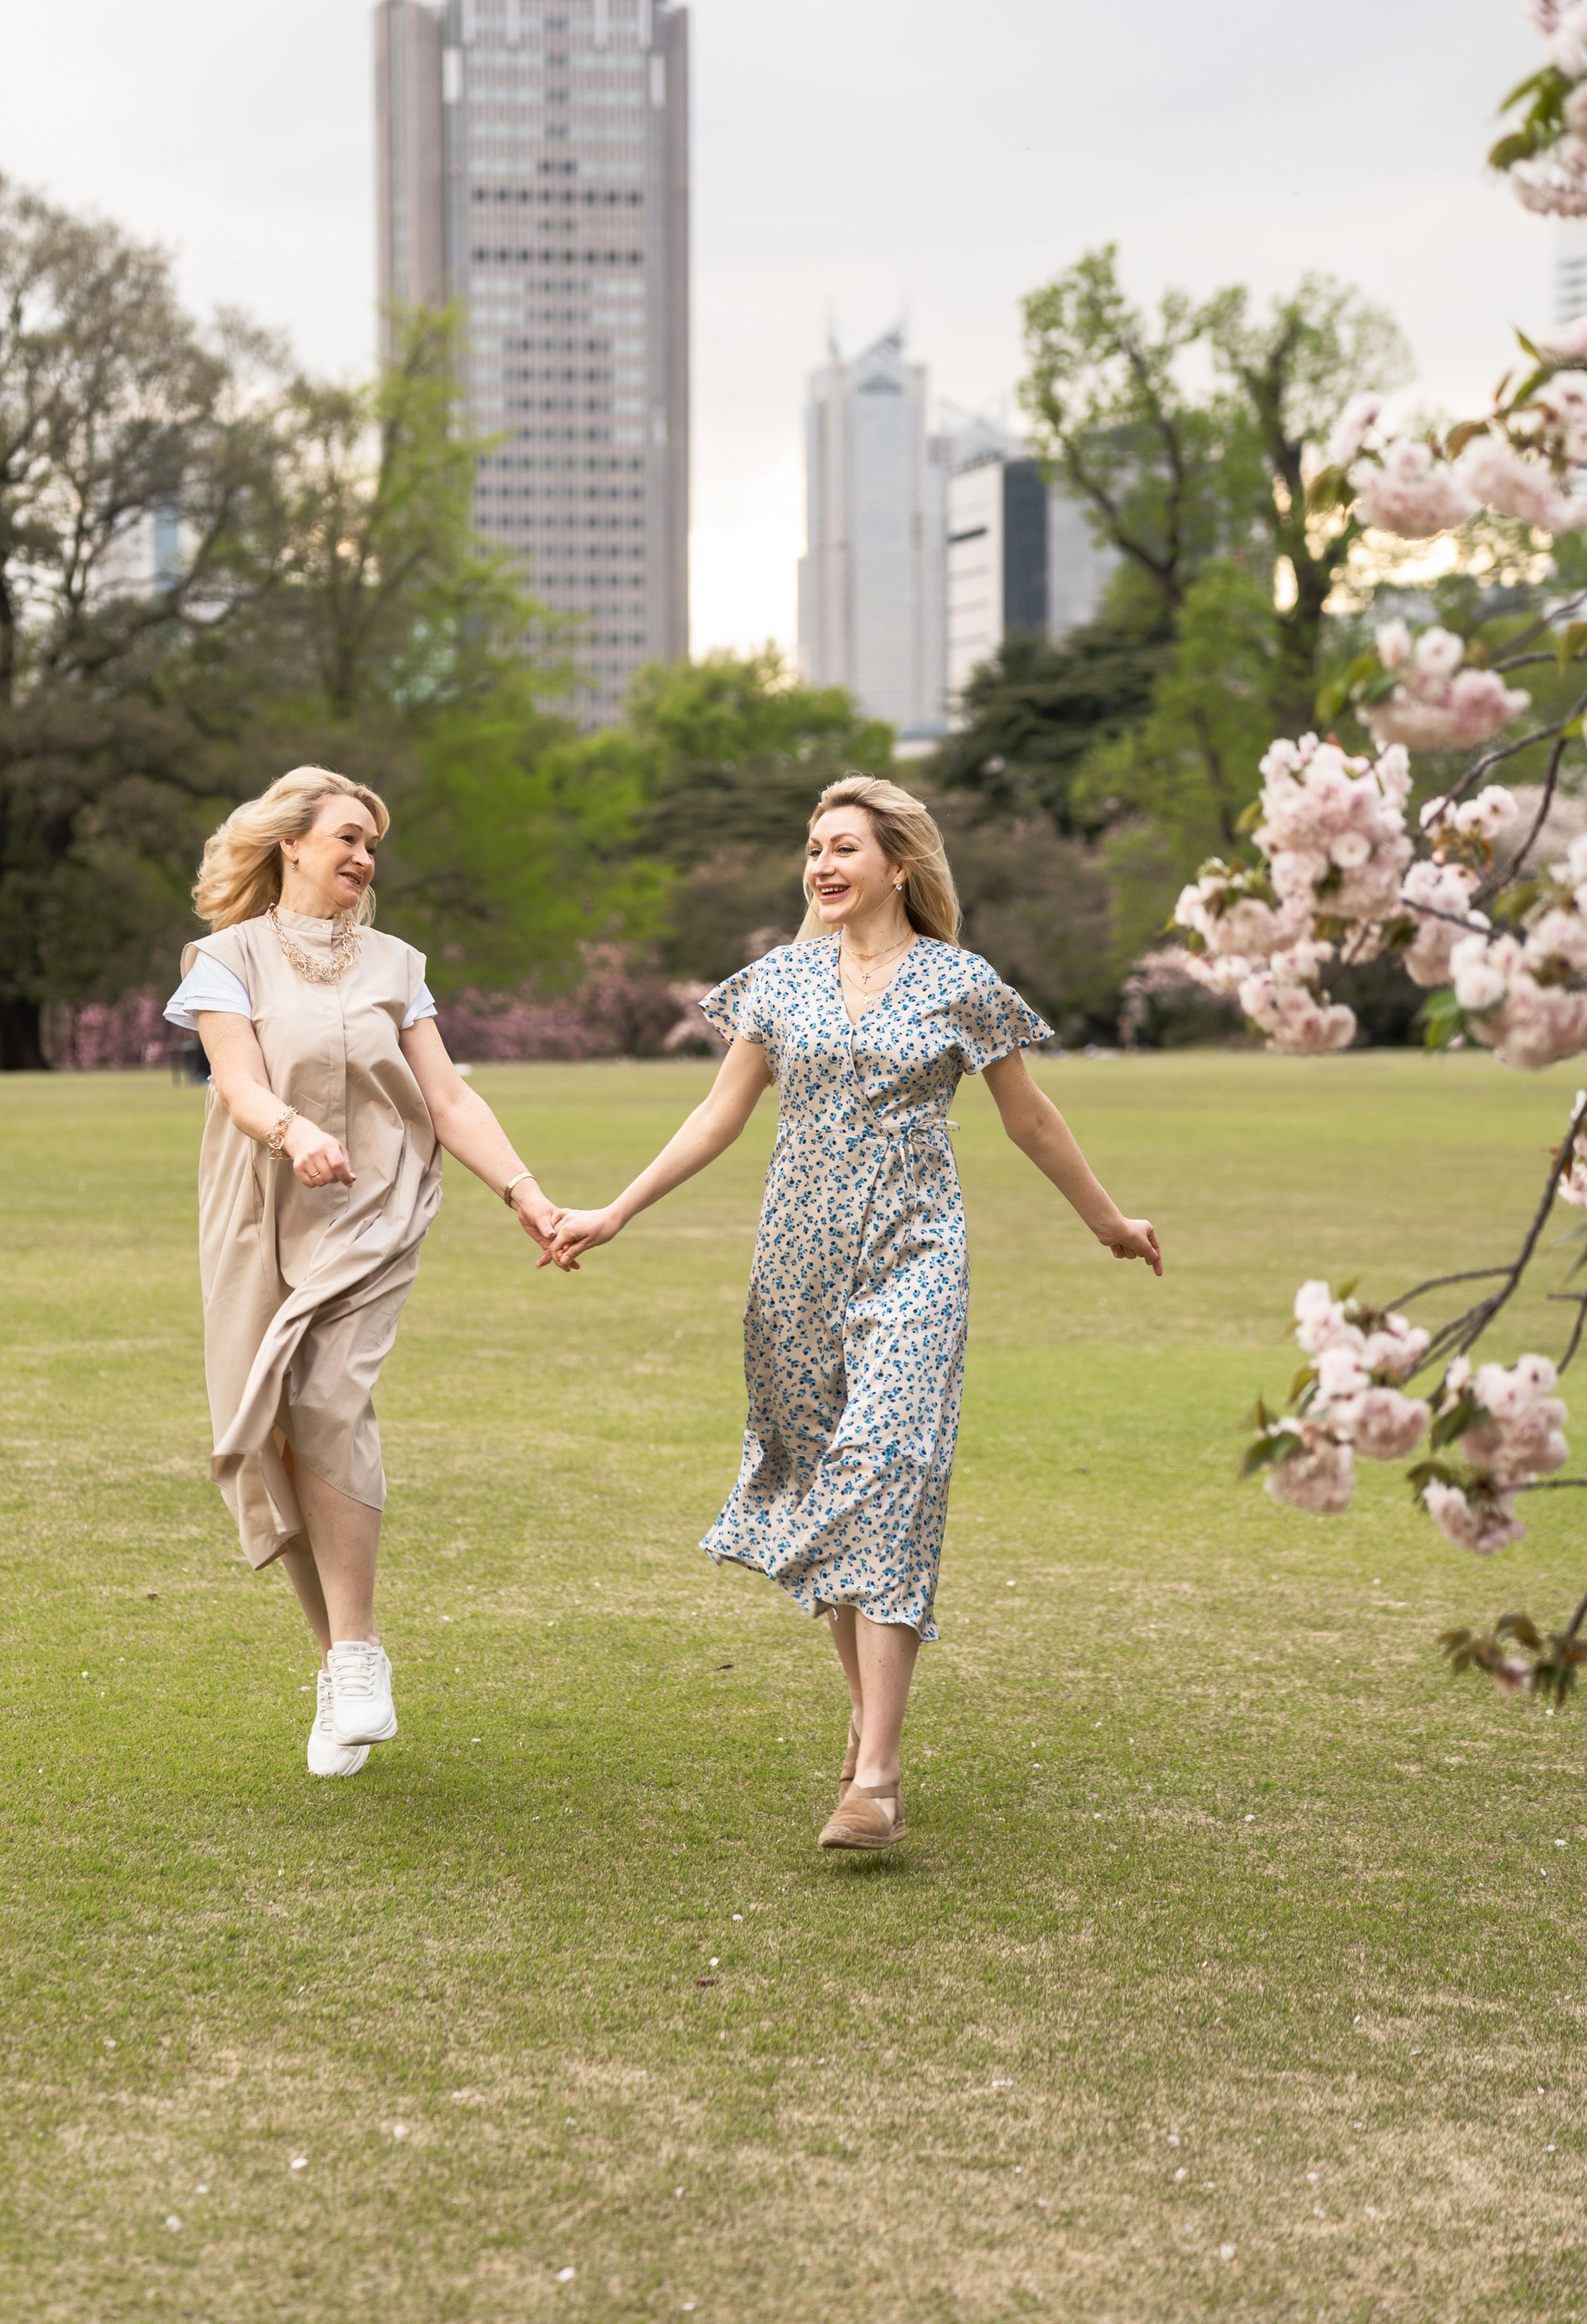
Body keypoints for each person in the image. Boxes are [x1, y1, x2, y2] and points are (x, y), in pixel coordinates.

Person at [548, 774, 1161, 1851]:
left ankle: (875, 1777)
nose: (822, 867)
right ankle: (869, 1721)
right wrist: (616, 1211)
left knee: (888, 1466)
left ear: (899, 866)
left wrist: (1106, 1220)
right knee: (832, 1484)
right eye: (813, 850)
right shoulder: (779, 981)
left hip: (916, 1257)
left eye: (843, 849)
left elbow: (1032, 1120)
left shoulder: (960, 982)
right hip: (796, 1267)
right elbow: (717, 1116)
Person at [165, 766, 562, 1780]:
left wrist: (525, 1193)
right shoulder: (225, 959)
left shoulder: (396, 966)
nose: (362, 859)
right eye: (346, 837)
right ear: (289, 843)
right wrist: (294, 1134)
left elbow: (451, 1100)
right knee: (269, 1427)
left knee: (330, 1396)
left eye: (372, 846)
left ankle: (355, 1653)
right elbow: (239, 1083)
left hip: (376, 1205)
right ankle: (343, 1662)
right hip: (260, 1210)